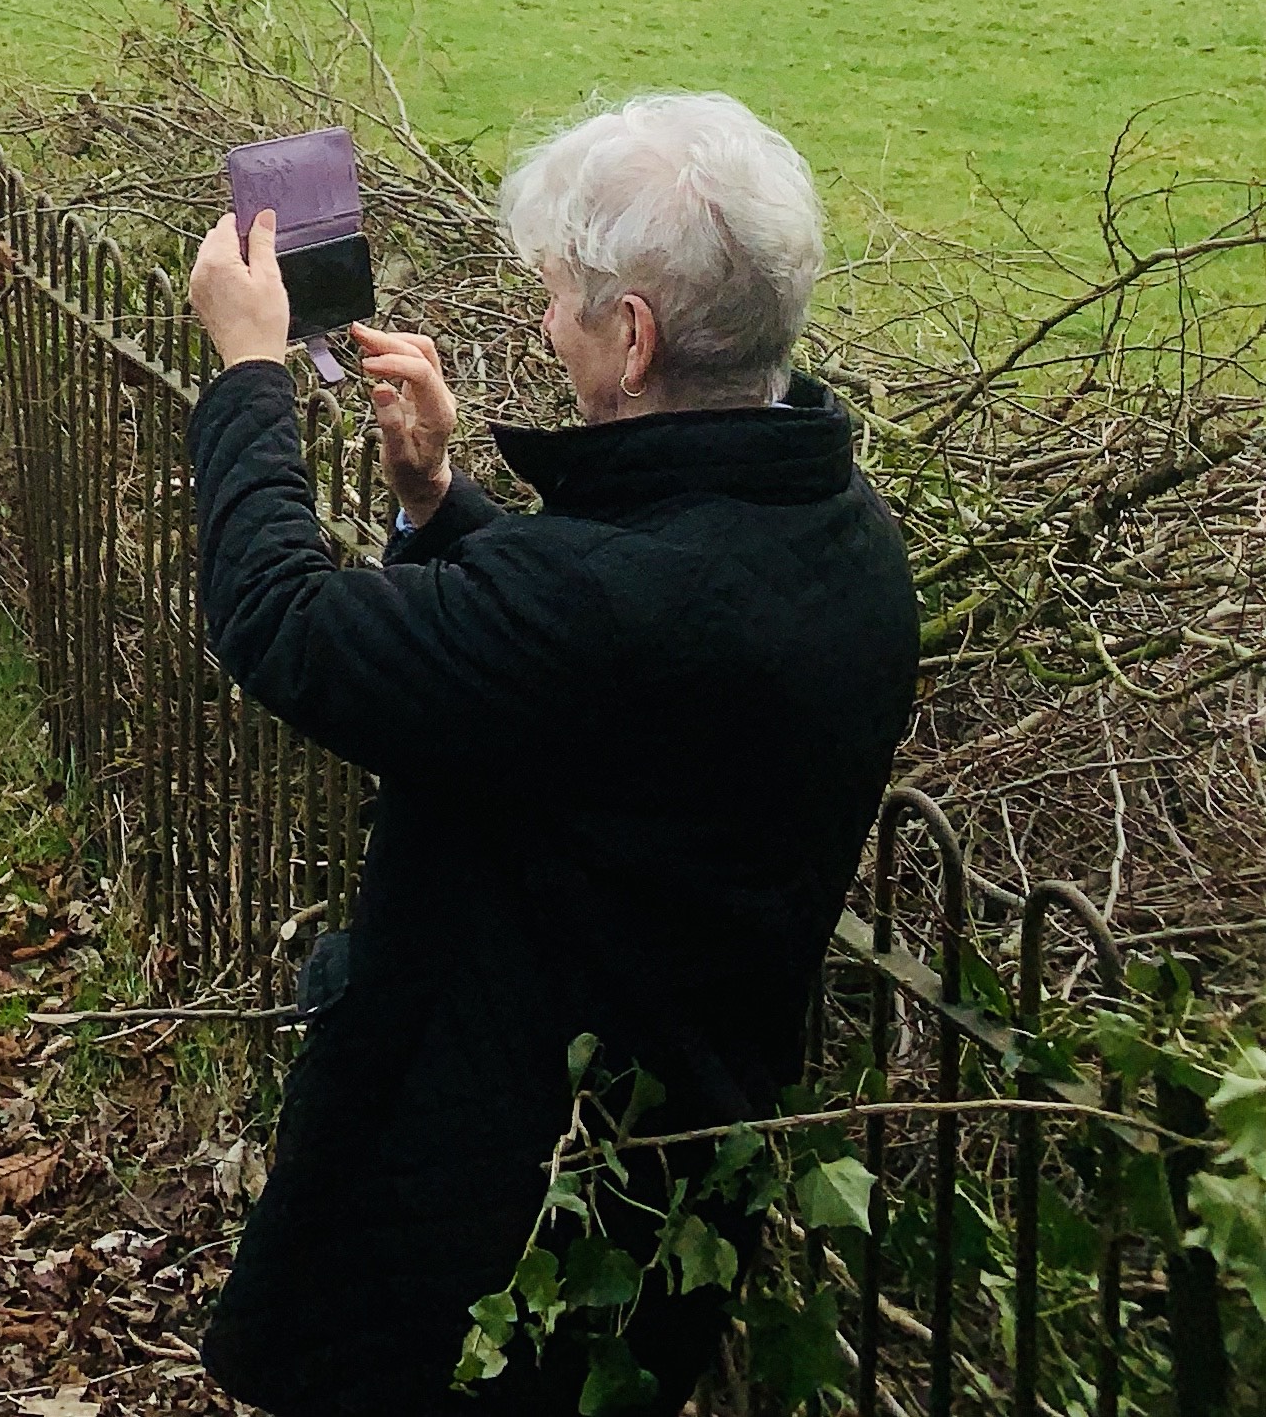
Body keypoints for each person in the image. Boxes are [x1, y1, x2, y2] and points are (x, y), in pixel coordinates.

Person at [180, 94, 917, 1417]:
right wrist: (436, 500)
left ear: (629, 335)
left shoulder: (610, 598)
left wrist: (244, 375)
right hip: (661, 1173)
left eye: (562, 297)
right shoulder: (835, 529)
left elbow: (283, 626)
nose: (541, 320)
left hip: (483, 1211)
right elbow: (593, 704)